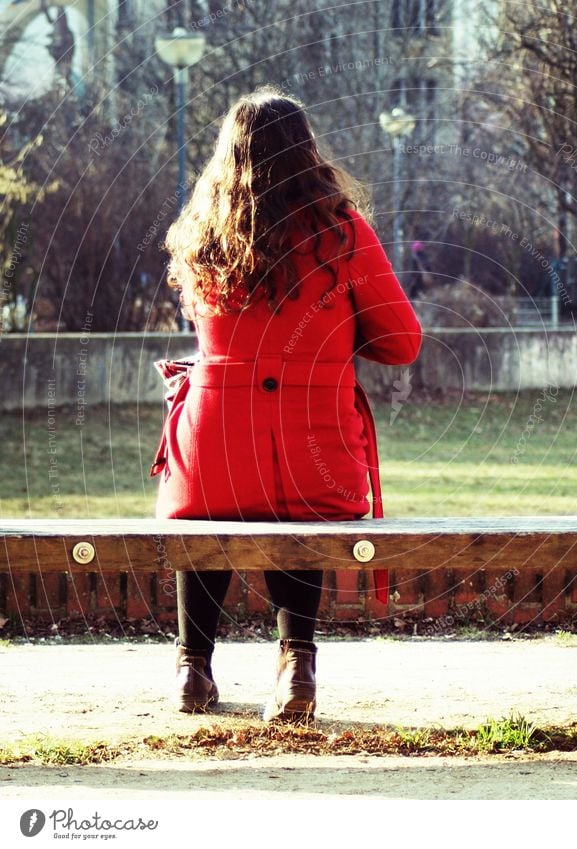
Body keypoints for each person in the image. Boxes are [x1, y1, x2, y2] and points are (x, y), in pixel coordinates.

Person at [153, 84, 422, 721]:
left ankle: (193, 671)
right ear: (307, 153)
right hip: (314, 444)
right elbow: (402, 341)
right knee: (298, 510)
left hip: (213, 439)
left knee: (206, 516)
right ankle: (297, 665)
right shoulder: (339, 232)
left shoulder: (202, 233)